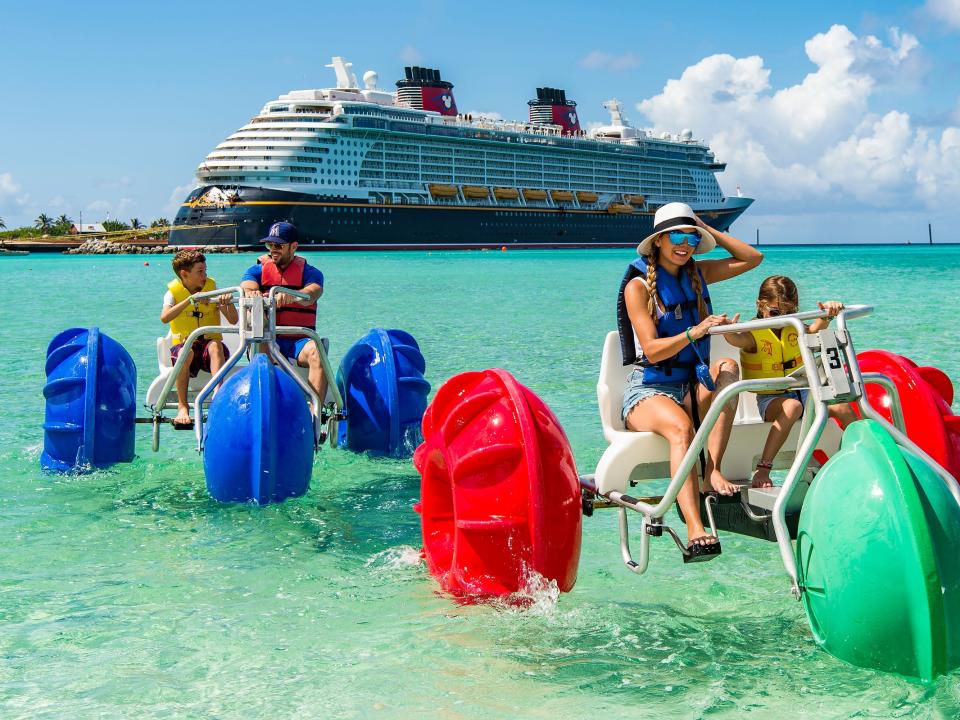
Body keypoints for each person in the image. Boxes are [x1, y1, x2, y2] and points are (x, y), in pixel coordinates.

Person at [617, 202, 763, 558]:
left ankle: (713, 470)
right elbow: (651, 351)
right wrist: (695, 331)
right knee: (682, 429)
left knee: (728, 367)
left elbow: (753, 258)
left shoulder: (697, 274)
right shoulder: (638, 286)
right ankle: (695, 527)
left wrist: (705, 227)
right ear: (659, 241)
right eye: (677, 236)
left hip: (689, 385)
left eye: (691, 238)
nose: (685, 244)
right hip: (648, 391)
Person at [725, 275, 856, 487]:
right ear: (760, 305)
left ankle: (859, 454)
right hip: (772, 401)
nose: (783, 318)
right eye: (776, 313)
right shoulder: (753, 333)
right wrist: (727, 330)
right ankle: (763, 468)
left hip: (803, 392)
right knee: (792, 407)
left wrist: (829, 313)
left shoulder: (793, 327)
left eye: (790, 313)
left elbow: (814, 330)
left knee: (841, 405)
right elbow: (736, 339)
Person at [240, 221, 328, 404]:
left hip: (298, 341)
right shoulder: (256, 270)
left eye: (278, 245)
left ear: (293, 246)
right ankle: (268, 403)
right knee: (256, 322)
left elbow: (313, 293)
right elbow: (247, 286)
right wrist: (253, 293)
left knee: (317, 352)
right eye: (269, 245)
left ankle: (315, 415)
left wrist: (293, 296)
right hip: (267, 338)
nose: (273, 249)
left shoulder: (311, 273)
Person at [160, 249, 238, 427]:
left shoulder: (213, 289)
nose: (205, 275)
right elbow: (164, 317)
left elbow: (233, 320)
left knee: (215, 346)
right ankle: (183, 406)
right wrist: (190, 300)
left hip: (209, 348)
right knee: (184, 353)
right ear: (184, 274)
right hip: (185, 347)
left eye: (205, 270)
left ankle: (218, 398)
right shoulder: (172, 293)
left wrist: (225, 301)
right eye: (200, 271)